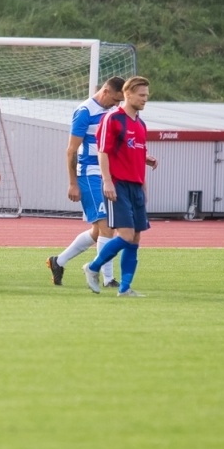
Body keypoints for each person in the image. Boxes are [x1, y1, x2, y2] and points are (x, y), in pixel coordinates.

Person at [83, 75, 159, 296]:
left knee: (135, 238)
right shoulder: (113, 118)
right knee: (125, 235)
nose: (145, 99)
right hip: (118, 184)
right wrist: (107, 181)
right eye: (141, 95)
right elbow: (103, 151)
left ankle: (125, 288)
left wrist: (146, 165)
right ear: (128, 93)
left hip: (135, 186)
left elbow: (135, 149)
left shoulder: (141, 124)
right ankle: (93, 267)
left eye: (147, 95)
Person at [47, 76, 125, 286]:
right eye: (116, 99)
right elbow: (71, 150)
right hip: (89, 174)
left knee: (99, 231)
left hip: (107, 175)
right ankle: (108, 279)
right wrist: (72, 183)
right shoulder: (84, 112)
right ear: (106, 91)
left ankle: (58, 261)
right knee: (108, 227)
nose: (117, 104)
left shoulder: (112, 112)